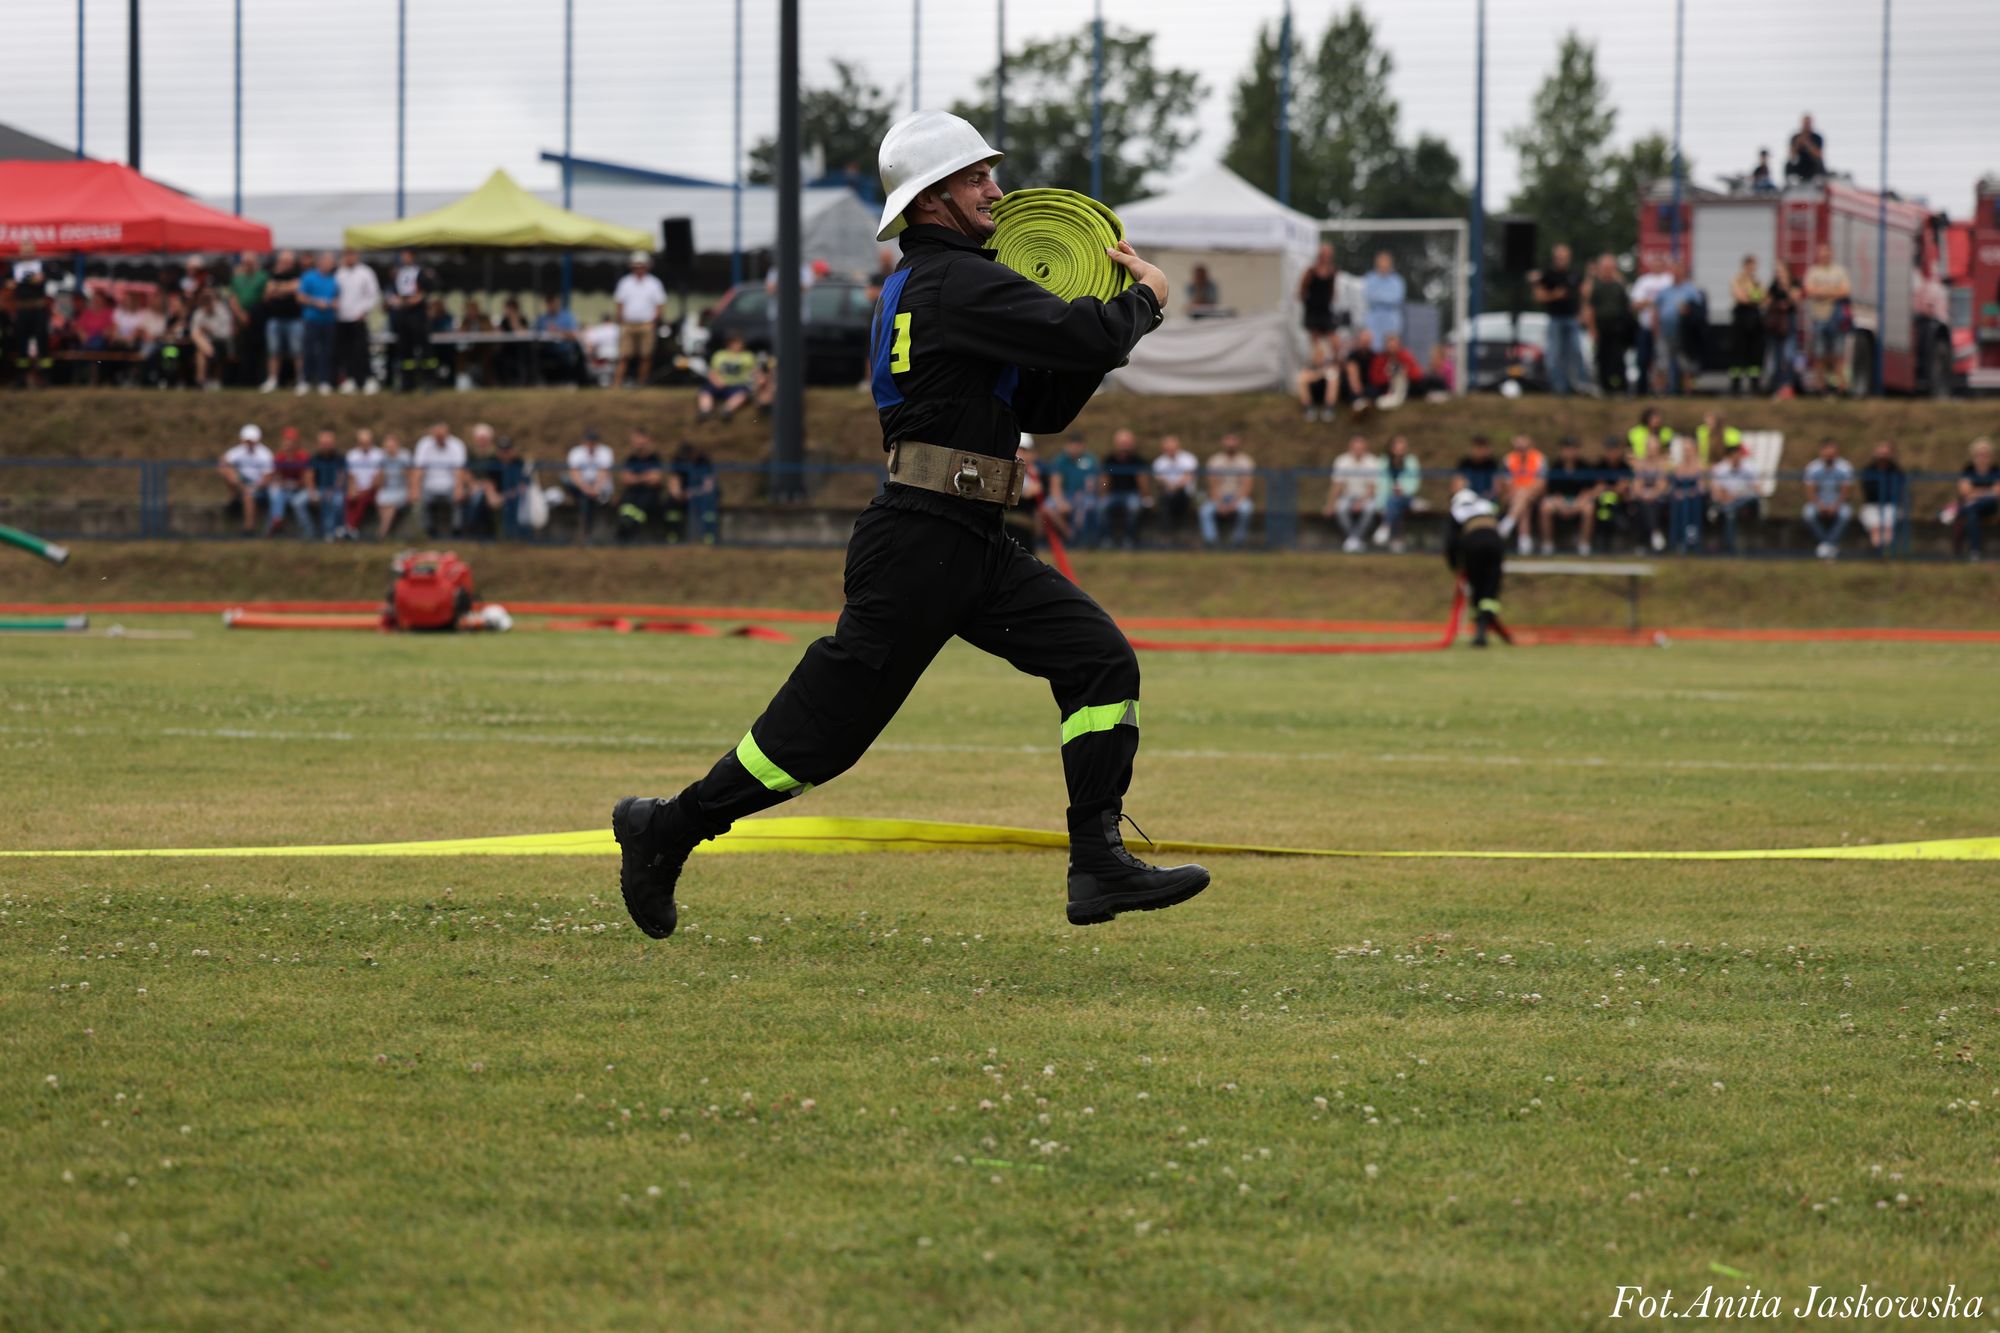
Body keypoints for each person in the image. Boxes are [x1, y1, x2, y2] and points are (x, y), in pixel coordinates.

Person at [612, 108, 1204, 941]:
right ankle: (665, 829)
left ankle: (1096, 860)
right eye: (974, 178)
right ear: (931, 200)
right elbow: (1083, 334)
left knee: (1097, 659)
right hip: (921, 543)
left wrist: (1104, 338)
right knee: (816, 743)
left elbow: (1043, 399)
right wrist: (1144, 300)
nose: (995, 190)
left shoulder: (942, 282)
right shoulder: (957, 281)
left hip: (963, 539)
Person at [1445, 488, 1506, 648]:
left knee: (1477, 588)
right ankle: (1483, 628)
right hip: (1495, 543)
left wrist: (1455, 565)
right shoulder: (1486, 506)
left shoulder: (1457, 511)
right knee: (1490, 589)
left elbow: (1450, 543)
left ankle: (1480, 631)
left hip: (1472, 545)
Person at [1531, 243, 1584, 396]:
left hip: (1572, 318)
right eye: (1559, 257)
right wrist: (1555, 294)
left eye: (1565, 257)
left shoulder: (1575, 273)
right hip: (1555, 319)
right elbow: (1539, 296)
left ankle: (1577, 386)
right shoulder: (1547, 274)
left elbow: (1582, 294)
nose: (1562, 260)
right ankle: (1558, 389)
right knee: (1554, 354)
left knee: (1574, 352)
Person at [611, 251, 668, 388]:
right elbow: (619, 303)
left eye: (641, 265)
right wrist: (620, 320)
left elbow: (660, 305)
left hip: (646, 324)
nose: (639, 268)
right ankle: (616, 385)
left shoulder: (654, 283)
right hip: (628, 324)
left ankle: (641, 383)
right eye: (636, 265)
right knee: (624, 355)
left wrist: (654, 321)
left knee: (645, 356)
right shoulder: (625, 282)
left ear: (647, 266)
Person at [1802, 243, 1852, 394]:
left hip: (1836, 319)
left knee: (1838, 353)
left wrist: (1822, 292)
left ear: (1831, 254)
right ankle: (1820, 387)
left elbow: (1845, 290)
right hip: (1819, 317)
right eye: (1822, 253)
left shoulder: (1839, 271)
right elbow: (1809, 290)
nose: (1824, 256)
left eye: (1827, 253)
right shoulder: (1813, 272)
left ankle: (1840, 387)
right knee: (1819, 354)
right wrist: (1832, 292)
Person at [1538, 437, 1596, 556]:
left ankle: (1584, 544)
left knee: (1589, 509)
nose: (1570, 452)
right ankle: (1547, 544)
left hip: (1579, 501)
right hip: (1559, 501)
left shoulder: (1585, 467)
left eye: (1573, 449)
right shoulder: (1555, 466)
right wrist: (1561, 505)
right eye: (1567, 449)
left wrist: (1577, 505)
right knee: (1545, 507)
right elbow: (1552, 490)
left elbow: (1587, 490)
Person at [333, 248, 381, 394]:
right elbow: (335, 293)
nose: (349, 258)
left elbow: (373, 295)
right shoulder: (339, 273)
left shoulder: (365, 272)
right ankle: (350, 379)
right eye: (347, 255)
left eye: (352, 254)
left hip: (359, 318)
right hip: (342, 318)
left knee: (361, 350)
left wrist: (364, 310)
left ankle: (367, 380)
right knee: (346, 351)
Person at [1583, 254, 1632, 396]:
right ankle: (1604, 387)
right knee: (1602, 357)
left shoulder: (1619, 286)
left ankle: (1620, 386)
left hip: (1617, 327)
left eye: (1611, 267)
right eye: (1605, 267)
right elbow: (1590, 308)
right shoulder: (1596, 286)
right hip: (1601, 327)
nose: (1608, 270)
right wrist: (1592, 329)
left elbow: (1626, 307)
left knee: (1617, 358)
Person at [388, 250, 437, 391]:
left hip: (418, 314)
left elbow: (428, 289)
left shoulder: (420, 272)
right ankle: (407, 383)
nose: (404, 258)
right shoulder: (399, 273)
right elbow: (394, 293)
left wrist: (415, 299)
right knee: (405, 349)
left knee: (424, 348)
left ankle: (429, 381)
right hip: (404, 314)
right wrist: (399, 301)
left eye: (407, 255)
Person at [1656, 261, 1706, 396]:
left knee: (1686, 365)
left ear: (1684, 272)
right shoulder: (1664, 291)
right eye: (1673, 271)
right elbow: (1656, 311)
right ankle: (1660, 393)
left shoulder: (1691, 291)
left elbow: (1699, 311)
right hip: (1665, 333)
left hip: (1683, 335)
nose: (1676, 273)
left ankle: (1688, 392)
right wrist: (1656, 330)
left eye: (1678, 270)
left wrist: (1688, 311)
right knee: (1662, 364)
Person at [7, 244, 53, 389]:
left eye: (29, 251)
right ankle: (21, 377)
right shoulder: (15, 268)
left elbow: (57, 275)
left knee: (42, 342)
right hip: (22, 309)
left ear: (34, 252)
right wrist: (8, 283)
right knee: (21, 343)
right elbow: (5, 281)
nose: (27, 253)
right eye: (24, 251)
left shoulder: (41, 265)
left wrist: (43, 277)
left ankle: (45, 376)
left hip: (38, 309)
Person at [1198, 434, 1255, 549]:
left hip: (1238, 498)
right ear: (1223, 442)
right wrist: (1219, 503)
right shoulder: (1215, 460)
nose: (1230, 444)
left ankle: (1238, 541)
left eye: (1233, 440)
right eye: (1228, 441)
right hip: (1218, 497)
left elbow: (1247, 485)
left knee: (1246, 509)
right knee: (1205, 510)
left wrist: (1234, 503)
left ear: (1238, 442)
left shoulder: (1246, 461)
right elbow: (1212, 485)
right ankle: (1211, 541)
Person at [1323, 434, 1379, 552]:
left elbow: (1372, 487)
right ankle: (1355, 540)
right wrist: (1330, 504)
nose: (1358, 451)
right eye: (1355, 448)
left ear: (1365, 448)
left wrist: (1361, 502)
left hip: (1366, 497)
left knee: (1370, 509)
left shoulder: (1372, 461)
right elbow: (1337, 485)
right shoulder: (1342, 461)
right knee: (1341, 508)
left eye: (1361, 448)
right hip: (1347, 496)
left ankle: (1352, 540)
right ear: (1350, 448)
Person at [1800, 436, 1854, 558]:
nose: (1829, 455)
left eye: (1832, 452)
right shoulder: (1813, 468)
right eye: (1827, 452)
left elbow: (1846, 492)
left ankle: (1826, 545)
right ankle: (1828, 544)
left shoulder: (1844, 467)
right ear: (1821, 452)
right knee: (1808, 514)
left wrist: (1835, 506)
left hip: (1838, 503)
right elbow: (1810, 491)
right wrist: (1820, 505)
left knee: (1845, 514)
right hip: (1818, 502)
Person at [259, 250, 305, 393]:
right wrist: (286, 289)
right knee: (274, 351)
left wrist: (277, 289)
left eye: (288, 261)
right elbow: (267, 294)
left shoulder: (298, 273)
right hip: (275, 319)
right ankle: (272, 379)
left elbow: (296, 287)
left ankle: (301, 380)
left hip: (294, 319)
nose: (285, 263)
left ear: (292, 262)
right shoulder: (272, 274)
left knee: (297, 351)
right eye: (283, 261)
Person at [413, 420, 468, 538]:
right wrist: (415, 489)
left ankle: (456, 531)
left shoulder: (457, 445)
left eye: (442, 436)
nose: (439, 439)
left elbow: (459, 471)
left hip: (450, 486)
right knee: (422, 502)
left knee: (458, 502)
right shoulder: (424, 444)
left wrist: (458, 489)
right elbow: (419, 469)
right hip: (429, 486)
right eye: (437, 436)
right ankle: (428, 532)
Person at [617, 429, 673, 542]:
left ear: (646, 440)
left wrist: (636, 478)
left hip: (650, 494)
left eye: (640, 442)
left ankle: (627, 532)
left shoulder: (654, 458)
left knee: (642, 505)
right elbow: (625, 479)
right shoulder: (630, 459)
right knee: (625, 504)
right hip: (632, 493)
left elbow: (655, 479)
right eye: (635, 442)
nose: (637, 445)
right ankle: (625, 530)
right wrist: (644, 477)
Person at [297, 251, 340, 396]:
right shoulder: (309, 277)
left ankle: (324, 381)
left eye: (332, 262)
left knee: (326, 352)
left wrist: (334, 304)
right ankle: (305, 381)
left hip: (329, 321)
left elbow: (337, 298)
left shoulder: (334, 279)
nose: (330, 265)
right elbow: (300, 297)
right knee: (309, 351)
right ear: (320, 262)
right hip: (312, 320)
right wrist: (316, 303)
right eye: (327, 262)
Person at [219, 423, 274, 536]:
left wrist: (253, 487)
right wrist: (235, 478)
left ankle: (249, 528)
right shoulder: (239, 451)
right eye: (246, 441)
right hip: (242, 482)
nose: (249, 444)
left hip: (259, 486)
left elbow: (267, 478)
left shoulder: (265, 454)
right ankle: (234, 498)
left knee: (248, 494)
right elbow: (223, 461)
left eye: (251, 441)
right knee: (228, 471)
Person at [1628, 254, 1672, 395]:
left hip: (1664, 328)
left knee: (1662, 361)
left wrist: (1649, 302)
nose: (1657, 266)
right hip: (1646, 326)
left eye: (1660, 263)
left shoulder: (1669, 280)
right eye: (1655, 263)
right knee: (1643, 359)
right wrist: (1651, 303)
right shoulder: (1643, 281)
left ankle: (1663, 390)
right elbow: (1635, 304)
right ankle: (1642, 389)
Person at [1047, 434, 1101, 548]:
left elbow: (1091, 485)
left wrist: (1081, 497)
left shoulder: (1090, 460)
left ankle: (1085, 540)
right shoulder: (1060, 460)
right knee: (1049, 507)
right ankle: (1069, 534)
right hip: (1065, 495)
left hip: (1084, 495)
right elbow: (1055, 485)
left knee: (1086, 506)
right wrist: (1060, 501)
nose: (1074, 449)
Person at [565, 426, 617, 543]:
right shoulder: (576, 452)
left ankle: (585, 535)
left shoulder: (605, 451)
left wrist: (595, 489)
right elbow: (574, 474)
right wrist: (586, 489)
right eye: (589, 440)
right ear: (584, 441)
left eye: (593, 441)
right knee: (582, 495)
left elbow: (603, 473)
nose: (591, 444)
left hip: (599, 488)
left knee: (587, 500)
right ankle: (585, 535)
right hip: (581, 487)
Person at [1709, 441, 1762, 555]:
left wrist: (1739, 495)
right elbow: (1716, 492)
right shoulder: (1720, 469)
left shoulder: (1749, 468)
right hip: (1726, 501)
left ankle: (1732, 548)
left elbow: (1758, 490)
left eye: (1739, 455)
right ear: (1728, 457)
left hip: (1745, 501)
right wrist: (1727, 497)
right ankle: (1730, 548)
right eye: (1734, 456)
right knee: (1729, 511)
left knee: (1747, 500)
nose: (1737, 459)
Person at [1952, 438, 2000, 561]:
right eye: (1980, 454)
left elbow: (1997, 492)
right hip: (1973, 508)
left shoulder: (1996, 471)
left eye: (1986, 454)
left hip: (1989, 506)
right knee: (1972, 514)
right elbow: (1964, 491)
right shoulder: (1968, 470)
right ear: (1974, 456)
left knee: (1970, 506)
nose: (1983, 457)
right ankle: (1975, 551)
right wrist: (1987, 491)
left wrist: (1975, 493)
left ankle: (1952, 512)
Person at [1100, 430, 1150, 548]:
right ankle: (1107, 538)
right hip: (1113, 494)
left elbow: (1143, 483)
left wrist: (1145, 496)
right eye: (1121, 443)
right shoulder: (1109, 460)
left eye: (1127, 442)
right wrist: (1102, 493)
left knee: (1134, 506)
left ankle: (1129, 538)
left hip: (1132, 494)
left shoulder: (1138, 461)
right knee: (1101, 506)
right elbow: (1104, 482)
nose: (1124, 446)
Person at [1500, 434, 1548, 554]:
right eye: (1518, 449)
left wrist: (1524, 491)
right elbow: (1507, 483)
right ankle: (1524, 543)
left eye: (1524, 449)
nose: (1521, 452)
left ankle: (1508, 523)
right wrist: (1519, 492)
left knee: (1523, 497)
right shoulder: (1508, 459)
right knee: (1523, 505)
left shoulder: (1539, 458)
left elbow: (1541, 484)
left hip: (1535, 494)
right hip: (1515, 495)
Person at [265, 427, 318, 538]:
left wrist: (298, 485)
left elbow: (308, 477)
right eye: (286, 441)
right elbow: (277, 477)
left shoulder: (303, 456)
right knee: (275, 494)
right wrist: (282, 483)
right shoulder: (280, 457)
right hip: (285, 489)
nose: (288, 444)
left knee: (297, 502)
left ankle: (309, 533)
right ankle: (275, 522)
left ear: (296, 443)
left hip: (300, 489)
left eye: (291, 441)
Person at [1763, 260, 1803, 399]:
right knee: (1777, 356)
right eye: (1777, 271)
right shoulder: (1773, 286)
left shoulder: (1794, 284)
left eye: (1781, 271)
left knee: (1789, 354)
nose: (1779, 274)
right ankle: (1778, 386)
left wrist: (1786, 287)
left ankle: (1788, 385)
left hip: (1789, 322)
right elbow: (1765, 302)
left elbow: (1796, 299)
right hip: (1775, 323)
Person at [1375, 435, 1421, 552]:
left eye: (1402, 447)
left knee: (1395, 501)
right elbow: (1380, 484)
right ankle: (1397, 540)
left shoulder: (1411, 461)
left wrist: (1403, 490)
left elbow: (1415, 483)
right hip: (1389, 498)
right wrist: (1381, 505)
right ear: (1391, 448)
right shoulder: (1384, 462)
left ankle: (1385, 527)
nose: (1399, 450)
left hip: (1406, 497)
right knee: (1394, 505)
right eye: (1397, 447)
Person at [1150, 435, 1199, 544]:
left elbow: (1188, 476)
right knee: (1164, 502)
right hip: (1167, 494)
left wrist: (1175, 487)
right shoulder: (1159, 462)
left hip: (1185, 494)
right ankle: (1165, 537)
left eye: (1173, 448)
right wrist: (1170, 487)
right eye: (1167, 449)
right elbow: (1160, 479)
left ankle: (1184, 536)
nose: (1170, 451)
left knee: (1179, 498)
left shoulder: (1189, 458)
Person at [1727, 256, 1765, 396]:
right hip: (1740, 320)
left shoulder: (1757, 282)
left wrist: (1752, 296)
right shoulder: (1737, 279)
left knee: (1755, 353)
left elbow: (1763, 298)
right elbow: (1741, 297)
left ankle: (1754, 384)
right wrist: (1754, 296)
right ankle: (1735, 385)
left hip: (1755, 321)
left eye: (1754, 266)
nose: (1752, 269)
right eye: (1750, 266)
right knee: (1738, 352)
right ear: (1744, 266)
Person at [699, 334, 758, 422]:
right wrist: (717, 381)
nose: (738, 345)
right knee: (706, 391)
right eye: (735, 342)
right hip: (719, 384)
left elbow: (755, 372)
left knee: (742, 394)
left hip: (738, 385)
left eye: (739, 342)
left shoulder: (747, 356)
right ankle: (705, 412)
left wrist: (758, 381)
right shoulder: (719, 355)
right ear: (729, 344)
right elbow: (712, 372)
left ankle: (726, 410)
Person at [1298, 242, 1341, 365]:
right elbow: (1302, 289)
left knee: (1335, 342)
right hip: (1313, 311)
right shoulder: (1311, 271)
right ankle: (1318, 366)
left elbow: (1332, 290)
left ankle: (1335, 366)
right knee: (1316, 344)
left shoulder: (1332, 272)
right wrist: (1307, 302)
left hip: (1325, 310)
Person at [1591, 437, 1635, 552]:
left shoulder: (1625, 467)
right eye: (1609, 450)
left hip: (1621, 504)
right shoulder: (1600, 466)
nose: (1612, 453)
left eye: (1614, 450)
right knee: (1604, 505)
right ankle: (1602, 539)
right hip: (1602, 505)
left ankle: (1613, 539)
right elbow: (1597, 488)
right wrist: (1613, 488)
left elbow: (1624, 488)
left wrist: (1607, 488)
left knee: (1611, 505)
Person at [673, 442, 721, 544]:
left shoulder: (705, 462)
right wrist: (677, 493)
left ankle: (709, 536)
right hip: (685, 496)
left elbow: (708, 488)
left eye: (688, 455)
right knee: (671, 505)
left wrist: (691, 493)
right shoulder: (679, 461)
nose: (686, 458)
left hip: (704, 495)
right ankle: (674, 537)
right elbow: (674, 479)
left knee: (707, 505)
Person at [1630, 437, 1671, 553]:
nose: (1652, 450)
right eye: (1650, 448)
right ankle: (1656, 533)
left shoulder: (1663, 463)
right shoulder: (1640, 464)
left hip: (1659, 497)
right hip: (1643, 497)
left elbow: (1662, 485)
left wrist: (1652, 494)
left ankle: (1645, 540)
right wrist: (1644, 494)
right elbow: (1637, 485)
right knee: (1643, 505)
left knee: (1651, 505)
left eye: (1654, 448)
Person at [189, 288, 236, 390]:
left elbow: (226, 334)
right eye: (204, 299)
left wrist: (211, 331)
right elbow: (194, 332)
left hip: (220, 342)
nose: (207, 301)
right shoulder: (199, 313)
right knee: (199, 343)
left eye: (209, 298)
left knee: (201, 351)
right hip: (204, 344)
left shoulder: (222, 311)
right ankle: (203, 380)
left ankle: (200, 381)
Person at [1667, 433, 1706, 553]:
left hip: (1695, 499)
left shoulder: (1700, 466)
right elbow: (1672, 486)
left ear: (1695, 450)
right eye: (1684, 450)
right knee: (1678, 504)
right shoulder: (1678, 467)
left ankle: (1692, 540)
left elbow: (1702, 488)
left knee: (1690, 504)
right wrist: (1677, 492)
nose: (1686, 453)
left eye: (1688, 450)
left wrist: (1686, 492)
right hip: (1680, 499)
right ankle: (1677, 540)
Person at [344, 428, 385, 538]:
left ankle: (349, 528)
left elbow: (378, 478)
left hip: (373, 489)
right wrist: (352, 490)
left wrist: (366, 491)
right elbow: (351, 476)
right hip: (358, 488)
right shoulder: (352, 455)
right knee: (348, 499)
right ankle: (348, 528)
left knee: (362, 500)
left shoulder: (379, 454)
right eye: (362, 443)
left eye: (367, 442)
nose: (365, 445)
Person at [534, 292, 583, 385]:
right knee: (534, 355)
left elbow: (575, 334)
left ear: (557, 302)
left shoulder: (567, 317)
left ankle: (566, 381)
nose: (550, 305)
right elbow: (534, 333)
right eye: (548, 302)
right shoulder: (542, 319)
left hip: (564, 350)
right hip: (546, 350)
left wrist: (559, 331)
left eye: (552, 302)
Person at [308, 429, 348, 541]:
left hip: (335, 490)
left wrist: (334, 489)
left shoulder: (339, 458)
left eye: (328, 444)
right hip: (319, 489)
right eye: (323, 444)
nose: (326, 446)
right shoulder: (315, 458)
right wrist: (312, 491)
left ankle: (333, 532)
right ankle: (309, 532)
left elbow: (341, 476)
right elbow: (309, 476)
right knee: (298, 502)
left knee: (336, 501)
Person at [374, 433, 412, 540]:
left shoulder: (404, 457)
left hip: (401, 489)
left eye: (391, 446)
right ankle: (386, 530)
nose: (389, 449)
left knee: (390, 505)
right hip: (387, 489)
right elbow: (380, 479)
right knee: (381, 502)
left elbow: (409, 477)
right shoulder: (383, 459)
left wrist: (410, 492)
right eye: (387, 447)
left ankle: (382, 532)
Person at [1363, 250, 1405, 347]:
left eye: (1386, 263)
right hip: (1374, 319)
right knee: (1373, 345)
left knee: (1390, 346)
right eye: (1381, 263)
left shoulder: (1397, 281)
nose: (1384, 266)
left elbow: (1397, 299)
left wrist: (1379, 296)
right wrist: (1386, 297)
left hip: (1391, 319)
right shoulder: (1370, 278)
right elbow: (1369, 297)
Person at [1337, 328, 1382, 414]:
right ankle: (1360, 404)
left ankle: (1363, 404)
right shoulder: (1353, 356)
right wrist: (1357, 388)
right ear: (1359, 340)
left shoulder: (1374, 355)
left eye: (1368, 340)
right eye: (1364, 340)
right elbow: (1352, 374)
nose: (1366, 343)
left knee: (1373, 390)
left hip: (1368, 384)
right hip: (1355, 385)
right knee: (1353, 392)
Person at [1369, 333, 1422, 405]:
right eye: (1390, 345)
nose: (1392, 347)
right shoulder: (1380, 359)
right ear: (1385, 345)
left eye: (1394, 345)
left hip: (1405, 385)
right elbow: (1375, 378)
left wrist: (1405, 372)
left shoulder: (1405, 356)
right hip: (1386, 387)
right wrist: (1389, 376)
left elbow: (1417, 374)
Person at [1453, 434, 1500, 500]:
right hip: (1467, 499)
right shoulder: (1464, 464)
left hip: (1485, 500)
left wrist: (1487, 496)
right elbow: (1456, 487)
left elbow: (1496, 488)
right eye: (1480, 448)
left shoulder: (1492, 464)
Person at [1295, 346, 1335, 423]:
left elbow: (1332, 374)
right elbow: (1304, 376)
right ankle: (1309, 408)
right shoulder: (1309, 365)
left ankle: (1328, 408)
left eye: (1321, 355)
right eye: (1317, 355)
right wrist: (1320, 374)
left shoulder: (1328, 364)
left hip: (1324, 392)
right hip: (1313, 393)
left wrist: (1316, 375)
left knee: (1333, 379)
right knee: (1301, 379)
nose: (1319, 358)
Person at [1786, 113, 1825, 183]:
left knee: (1820, 162)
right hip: (1800, 165)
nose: (1806, 126)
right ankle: (1790, 180)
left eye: (1808, 124)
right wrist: (1797, 145)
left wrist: (1808, 144)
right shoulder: (1795, 137)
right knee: (1788, 163)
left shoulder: (1817, 138)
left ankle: (1819, 180)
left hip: (1812, 165)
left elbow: (1819, 155)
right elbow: (1791, 156)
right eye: (1805, 124)